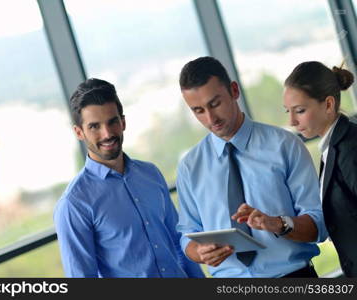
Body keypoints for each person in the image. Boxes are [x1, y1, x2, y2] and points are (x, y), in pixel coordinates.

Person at [176, 56, 328, 278]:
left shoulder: (284, 145)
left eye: (215, 104)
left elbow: (319, 224)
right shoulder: (190, 167)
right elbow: (187, 234)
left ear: (234, 91)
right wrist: (200, 252)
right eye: (198, 110)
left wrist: (277, 224)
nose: (210, 118)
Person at [53, 78, 204, 278]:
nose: (107, 134)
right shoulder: (74, 204)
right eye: (94, 127)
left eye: (112, 121)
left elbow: (179, 242)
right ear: (79, 132)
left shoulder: (151, 174)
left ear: (123, 122)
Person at [284, 61, 356, 277]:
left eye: (300, 111)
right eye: (288, 111)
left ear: (328, 104)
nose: (292, 121)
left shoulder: (351, 147)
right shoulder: (333, 146)